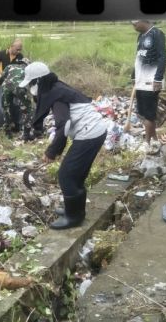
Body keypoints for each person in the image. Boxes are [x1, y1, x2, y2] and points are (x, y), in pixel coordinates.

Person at [20, 62, 109, 230]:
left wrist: (52, 151)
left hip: (89, 134)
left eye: (31, 84)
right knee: (76, 175)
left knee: (66, 175)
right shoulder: (56, 88)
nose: (30, 89)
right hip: (94, 131)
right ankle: (76, 211)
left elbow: (64, 125)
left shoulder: (55, 95)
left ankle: (73, 217)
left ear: (38, 82)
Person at [131, 19, 166, 153]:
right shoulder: (141, 36)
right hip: (140, 80)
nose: (133, 24)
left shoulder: (157, 34)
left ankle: (146, 142)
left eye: (134, 22)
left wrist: (158, 79)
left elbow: (163, 56)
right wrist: (134, 76)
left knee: (149, 114)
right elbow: (137, 58)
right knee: (143, 112)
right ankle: (156, 140)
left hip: (151, 82)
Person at [0, 57, 34, 141]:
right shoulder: (28, 69)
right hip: (19, 88)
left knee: (6, 109)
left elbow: (1, 78)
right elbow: (31, 84)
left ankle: (7, 133)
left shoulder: (9, 66)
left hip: (6, 87)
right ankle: (26, 133)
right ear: (27, 64)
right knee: (28, 109)